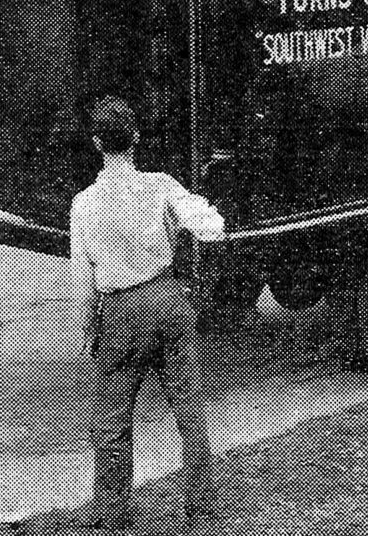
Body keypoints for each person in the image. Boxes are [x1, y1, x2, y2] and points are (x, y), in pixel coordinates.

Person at [71, 96, 225, 528]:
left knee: (113, 417)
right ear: (136, 138)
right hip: (169, 300)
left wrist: (87, 328)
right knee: (188, 407)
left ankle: (112, 512)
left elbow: (83, 279)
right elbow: (212, 227)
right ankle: (202, 505)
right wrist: (176, 227)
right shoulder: (162, 185)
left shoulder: (84, 204)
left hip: (120, 311)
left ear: (98, 143)